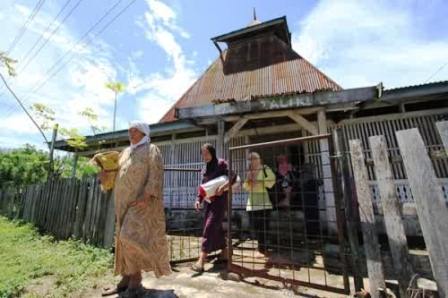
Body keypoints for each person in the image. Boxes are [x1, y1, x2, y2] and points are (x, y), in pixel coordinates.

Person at [102, 121, 171, 297]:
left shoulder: (151, 149)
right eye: (129, 130)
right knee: (122, 241)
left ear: (143, 133)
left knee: (129, 237)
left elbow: (156, 173)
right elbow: (115, 175)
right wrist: (105, 174)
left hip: (142, 205)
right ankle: (125, 280)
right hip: (122, 204)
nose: (131, 133)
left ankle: (136, 281)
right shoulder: (125, 152)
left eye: (135, 130)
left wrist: (146, 197)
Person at [192, 144, 235, 272]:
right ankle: (225, 252)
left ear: (212, 152)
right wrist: (198, 200)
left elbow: (233, 176)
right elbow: (203, 188)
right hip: (208, 202)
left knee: (210, 227)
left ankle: (201, 260)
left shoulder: (221, 164)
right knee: (214, 227)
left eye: (207, 153)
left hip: (220, 202)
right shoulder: (205, 169)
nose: (205, 156)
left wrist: (223, 187)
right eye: (203, 154)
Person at [243, 152, 276, 257]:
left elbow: (272, 181)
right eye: (250, 159)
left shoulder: (264, 168)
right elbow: (246, 187)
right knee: (255, 227)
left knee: (264, 226)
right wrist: (249, 182)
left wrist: (259, 181)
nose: (252, 161)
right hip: (252, 203)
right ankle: (261, 247)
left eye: (254, 158)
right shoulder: (249, 171)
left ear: (259, 159)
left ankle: (263, 248)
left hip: (264, 202)